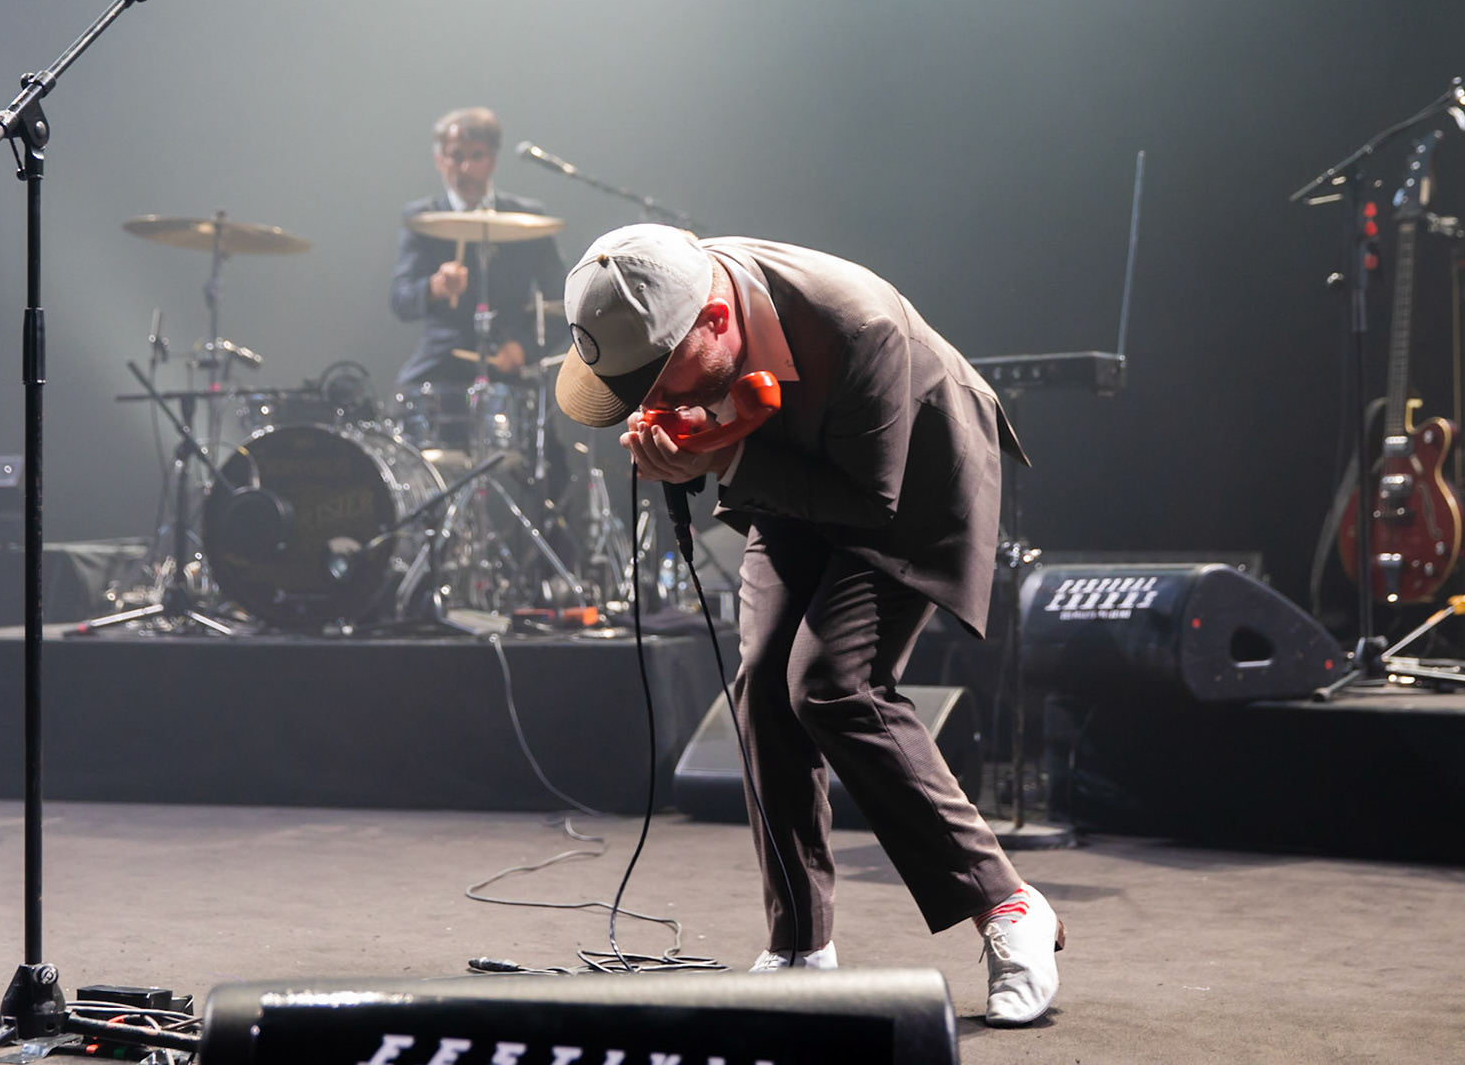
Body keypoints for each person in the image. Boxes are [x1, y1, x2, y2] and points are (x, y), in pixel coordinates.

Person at [553, 224, 1064, 1026]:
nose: (654, 401)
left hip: (908, 483)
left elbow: (868, 500)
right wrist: (691, 433)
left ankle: (1008, 908)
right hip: (790, 470)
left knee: (830, 686)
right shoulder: (670, 293)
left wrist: (719, 458)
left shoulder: (858, 325)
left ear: (716, 319)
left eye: (659, 378)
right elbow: (747, 434)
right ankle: (799, 948)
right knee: (761, 690)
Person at [390, 107, 566, 391]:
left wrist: (525, 348)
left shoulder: (529, 219)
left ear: (493, 161)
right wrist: (434, 287)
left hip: (510, 370)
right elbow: (400, 300)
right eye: (456, 156)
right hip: (441, 366)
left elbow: (564, 306)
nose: (466, 168)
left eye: (477, 156)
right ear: (439, 160)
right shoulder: (421, 218)